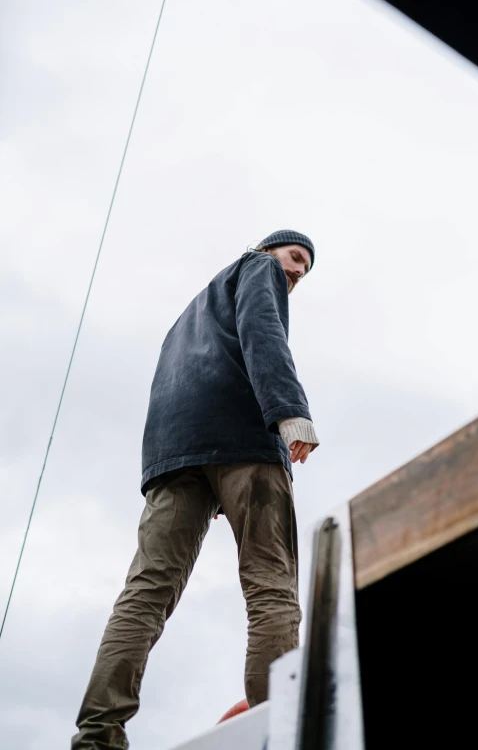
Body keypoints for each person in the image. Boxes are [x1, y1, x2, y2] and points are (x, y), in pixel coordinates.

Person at [72, 229, 320, 749]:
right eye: (295, 258)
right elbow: (263, 330)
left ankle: (96, 736)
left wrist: (196, 470)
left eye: (303, 270)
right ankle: (280, 730)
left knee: (145, 592)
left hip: (176, 454)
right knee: (270, 581)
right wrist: (288, 409)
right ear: (266, 248)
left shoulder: (186, 318)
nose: (296, 271)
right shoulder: (257, 269)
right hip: (245, 444)